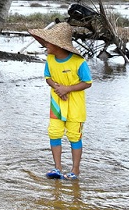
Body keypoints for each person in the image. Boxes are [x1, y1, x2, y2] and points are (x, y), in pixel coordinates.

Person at [29, 22, 92, 180]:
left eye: (48, 43)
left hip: (75, 107)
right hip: (56, 105)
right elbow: (48, 77)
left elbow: (87, 82)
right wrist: (57, 88)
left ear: (58, 45)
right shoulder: (50, 59)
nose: (45, 46)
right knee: (54, 133)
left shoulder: (78, 62)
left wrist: (67, 89)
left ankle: (75, 170)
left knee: (74, 136)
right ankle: (57, 168)